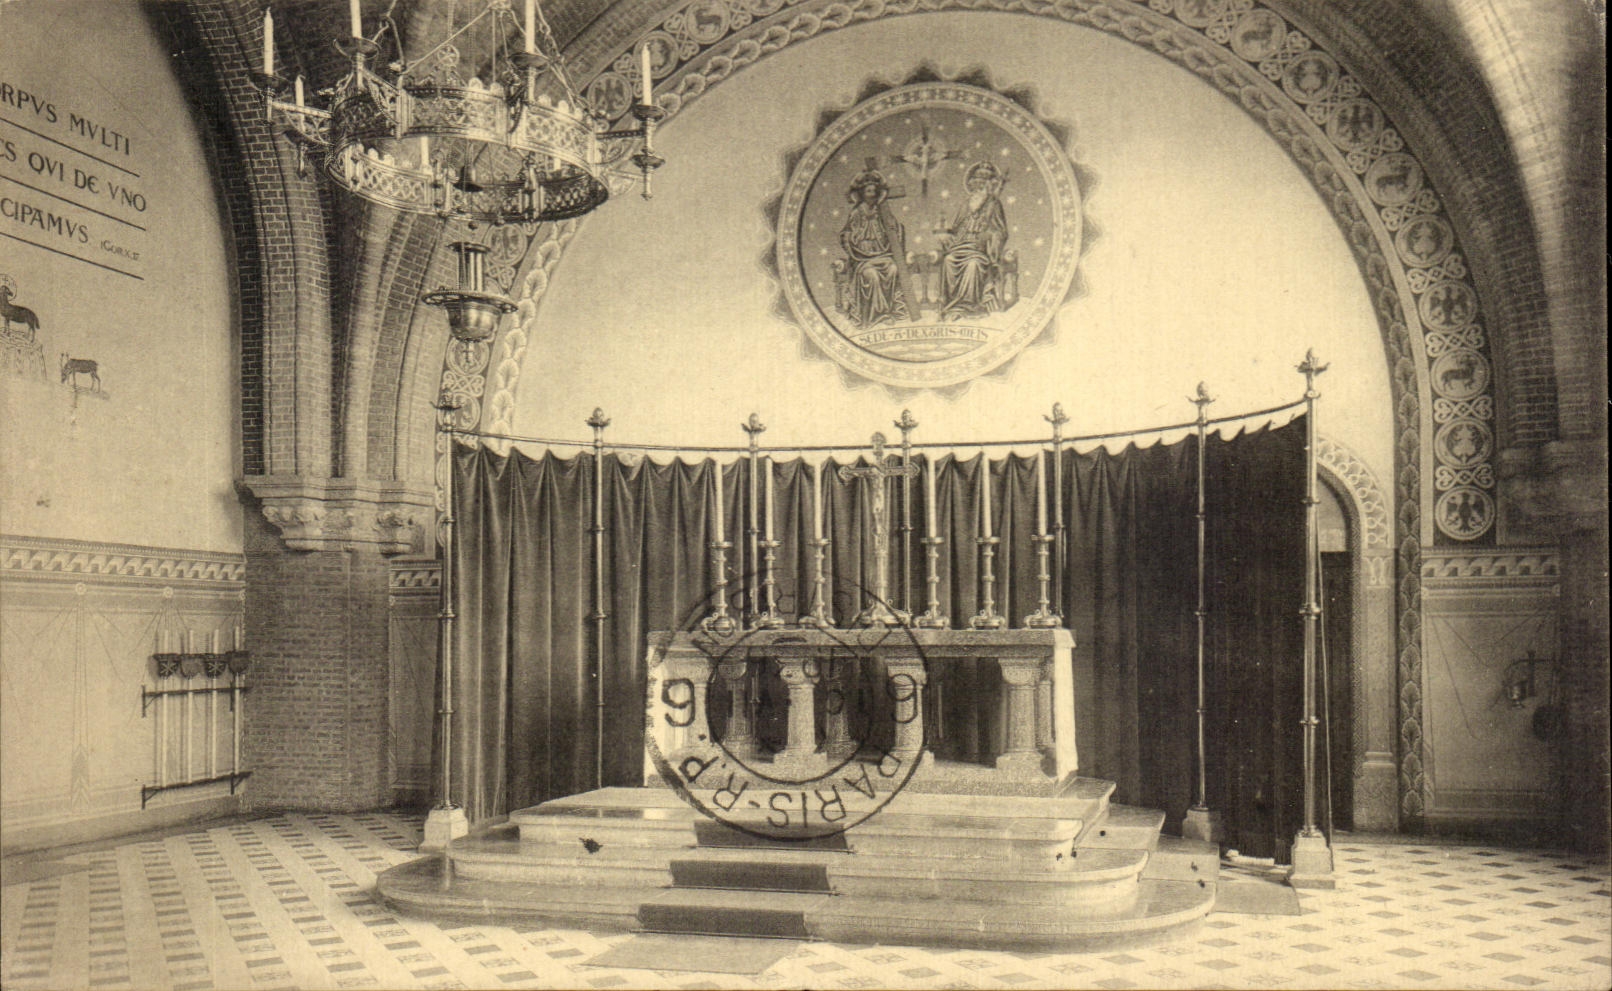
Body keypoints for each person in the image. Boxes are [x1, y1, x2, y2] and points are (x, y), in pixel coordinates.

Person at [838, 167, 914, 327]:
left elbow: (895, 228)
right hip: (862, 258)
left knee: (893, 269)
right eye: (868, 191)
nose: (871, 194)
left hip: (882, 253)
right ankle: (877, 315)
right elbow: (846, 233)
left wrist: (896, 228)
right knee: (871, 275)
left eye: (874, 191)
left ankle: (888, 311)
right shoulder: (857, 212)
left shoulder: (883, 211)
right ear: (862, 193)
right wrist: (851, 239)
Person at [937, 162, 1009, 321]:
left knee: (973, 264)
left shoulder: (994, 204)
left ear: (989, 185)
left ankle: (969, 306)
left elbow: (1001, 231)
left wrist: (989, 236)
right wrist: (948, 236)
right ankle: (951, 304)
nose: (979, 187)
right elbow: (956, 227)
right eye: (977, 183)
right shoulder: (965, 204)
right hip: (961, 245)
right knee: (949, 260)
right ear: (972, 185)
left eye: (983, 184)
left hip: (980, 249)